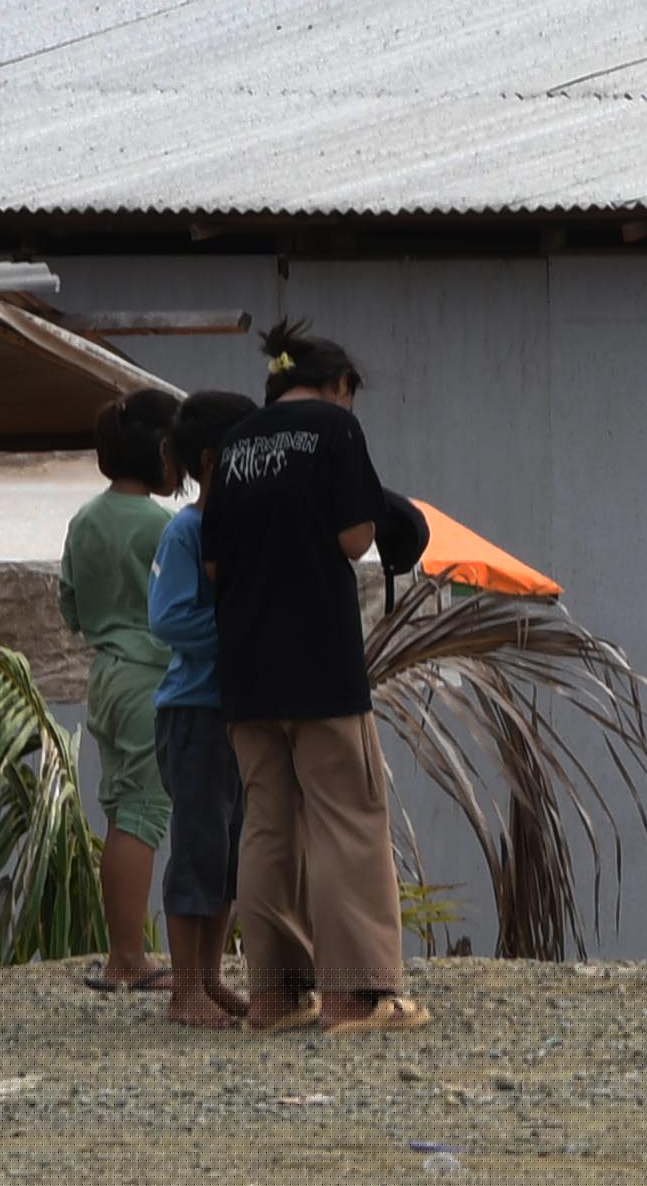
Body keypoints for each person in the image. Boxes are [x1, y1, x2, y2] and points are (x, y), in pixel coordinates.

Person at [205, 321, 431, 1036]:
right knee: (347, 820)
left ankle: (273, 997)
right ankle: (355, 997)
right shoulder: (334, 432)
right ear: (338, 387)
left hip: (245, 669)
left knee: (267, 827)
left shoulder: (235, 444)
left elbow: (212, 564)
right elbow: (355, 538)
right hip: (321, 665)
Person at [143, 389, 261, 1028]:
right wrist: (239, 626)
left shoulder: (227, 532)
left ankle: (208, 977)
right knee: (196, 847)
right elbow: (168, 619)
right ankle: (183, 987)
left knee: (227, 856)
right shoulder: (186, 531)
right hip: (194, 714)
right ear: (215, 461)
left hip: (232, 714)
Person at [62, 392, 183, 994]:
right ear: (164, 451)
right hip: (150, 679)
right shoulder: (166, 527)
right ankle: (129, 961)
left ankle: (123, 952)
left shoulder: (84, 520)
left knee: (120, 811)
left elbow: (70, 608)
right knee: (143, 814)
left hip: (105, 676)